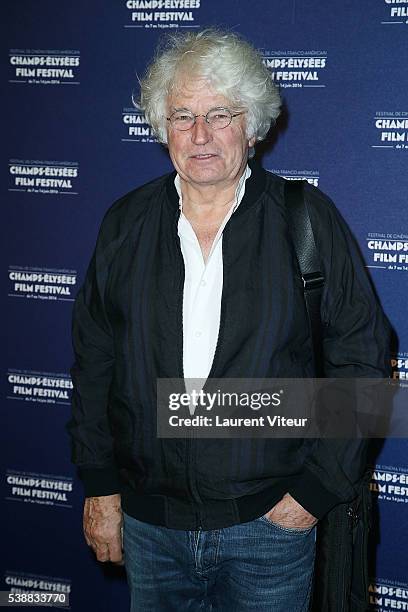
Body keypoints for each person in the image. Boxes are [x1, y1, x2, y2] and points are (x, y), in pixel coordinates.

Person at [67, 29, 390, 611]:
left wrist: (312, 493)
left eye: (220, 114)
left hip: (270, 528)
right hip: (149, 529)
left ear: (253, 125)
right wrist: (102, 488)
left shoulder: (306, 223)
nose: (199, 134)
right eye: (182, 115)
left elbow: (364, 360)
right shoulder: (125, 224)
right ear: (162, 127)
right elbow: (95, 365)